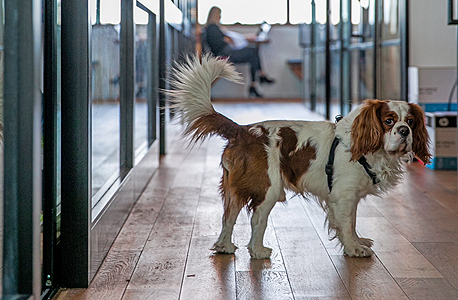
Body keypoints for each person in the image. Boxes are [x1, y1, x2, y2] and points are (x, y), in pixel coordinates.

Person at [203, 6, 274, 98]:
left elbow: (230, 38)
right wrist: (230, 40)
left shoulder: (214, 28)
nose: (220, 17)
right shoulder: (213, 28)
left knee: (253, 54)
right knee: (253, 52)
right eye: (219, 15)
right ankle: (258, 79)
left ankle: (256, 81)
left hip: (225, 52)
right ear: (216, 15)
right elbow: (225, 41)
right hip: (225, 55)